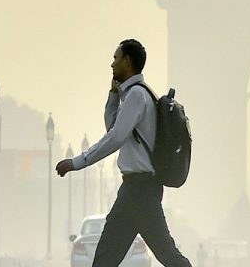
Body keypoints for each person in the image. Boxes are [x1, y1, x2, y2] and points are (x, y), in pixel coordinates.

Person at [56, 39, 192, 267]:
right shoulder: (132, 95)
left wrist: (77, 162)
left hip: (141, 190)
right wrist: (112, 96)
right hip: (133, 189)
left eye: (115, 58)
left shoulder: (137, 95)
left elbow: (115, 138)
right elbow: (114, 129)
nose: (112, 64)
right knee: (106, 258)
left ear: (127, 61)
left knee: (165, 254)